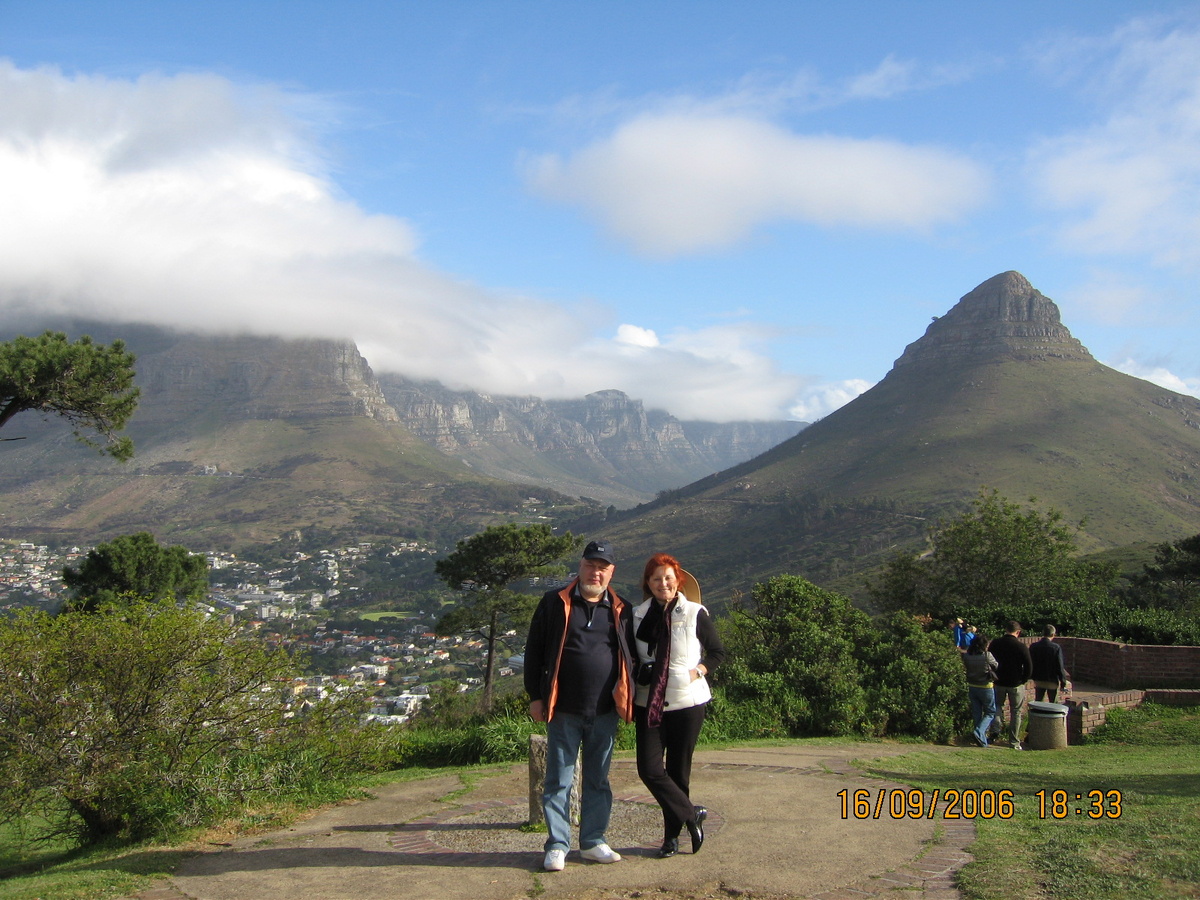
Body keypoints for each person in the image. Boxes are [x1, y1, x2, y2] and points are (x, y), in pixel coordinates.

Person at [524, 540, 636, 873]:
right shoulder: (553, 603)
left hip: (604, 711)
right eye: (591, 565)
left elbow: (634, 654)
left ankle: (593, 841)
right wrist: (535, 696)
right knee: (559, 779)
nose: (596, 573)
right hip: (563, 709)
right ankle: (558, 845)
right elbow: (535, 651)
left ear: (611, 573)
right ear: (581, 565)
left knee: (598, 780)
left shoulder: (621, 609)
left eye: (603, 568)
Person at [632, 553, 726, 858]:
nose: (663, 583)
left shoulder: (695, 613)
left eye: (669, 577)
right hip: (649, 702)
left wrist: (698, 671)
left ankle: (670, 839)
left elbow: (717, 652)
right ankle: (691, 813)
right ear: (648, 583)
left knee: (678, 773)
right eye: (657, 578)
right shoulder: (636, 616)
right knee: (649, 769)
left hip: (688, 703)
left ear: (678, 580)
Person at [988, 621, 1033, 750]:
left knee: (997, 707)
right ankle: (1013, 741)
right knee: (1016, 712)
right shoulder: (1021, 646)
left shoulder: (995, 643)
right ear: (1018, 632)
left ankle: (995, 732)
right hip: (1016, 683)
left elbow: (990, 661)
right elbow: (1029, 667)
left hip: (999, 681)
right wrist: (1023, 679)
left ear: (1006, 630)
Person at [962, 632, 999, 747]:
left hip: (972, 685)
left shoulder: (967, 656)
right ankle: (979, 732)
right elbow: (996, 665)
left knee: (976, 712)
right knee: (990, 712)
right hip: (986, 686)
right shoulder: (987, 655)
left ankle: (981, 740)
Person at [1029, 624, 1071, 702]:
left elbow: (1030, 663)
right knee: (1053, 703)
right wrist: (1063, 682)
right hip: (1052, 680)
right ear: (1053, 634)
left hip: (1038, 679)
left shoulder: (1033, 646)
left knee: (1038, 702)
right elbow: (1059, 666)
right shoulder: (1056, 647)